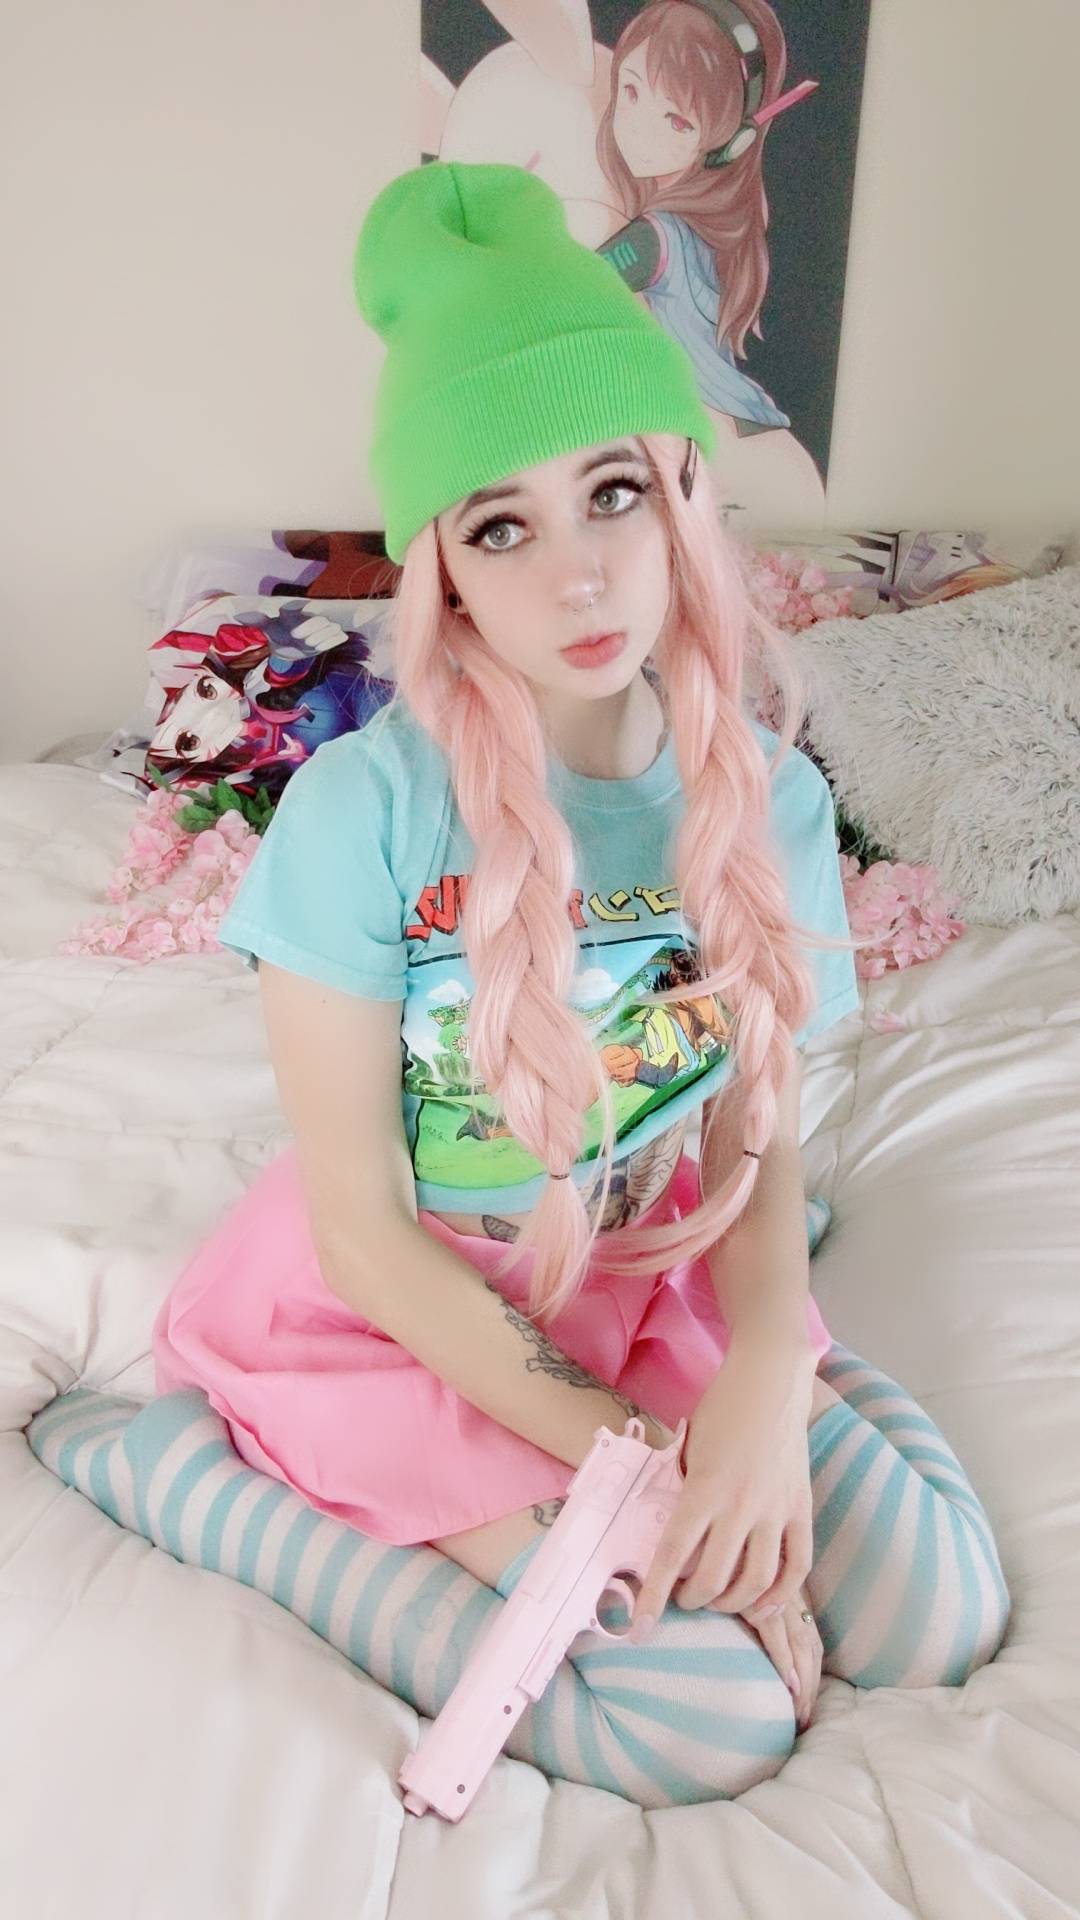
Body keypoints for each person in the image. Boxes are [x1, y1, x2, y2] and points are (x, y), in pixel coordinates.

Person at [144, 161, 1010, 1806]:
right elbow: (363, 1231)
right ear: (444, 570)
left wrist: (765, 1375)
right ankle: (187, 1471)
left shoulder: (768, 798)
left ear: (683, 488)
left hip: (641, 1261)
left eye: (612, 492)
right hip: (402, 1309)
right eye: (502, 526)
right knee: (698, 1725)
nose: (582, 577)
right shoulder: (360, 814)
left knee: (940, 1613)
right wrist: (648, 1463)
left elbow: (758, 1129)